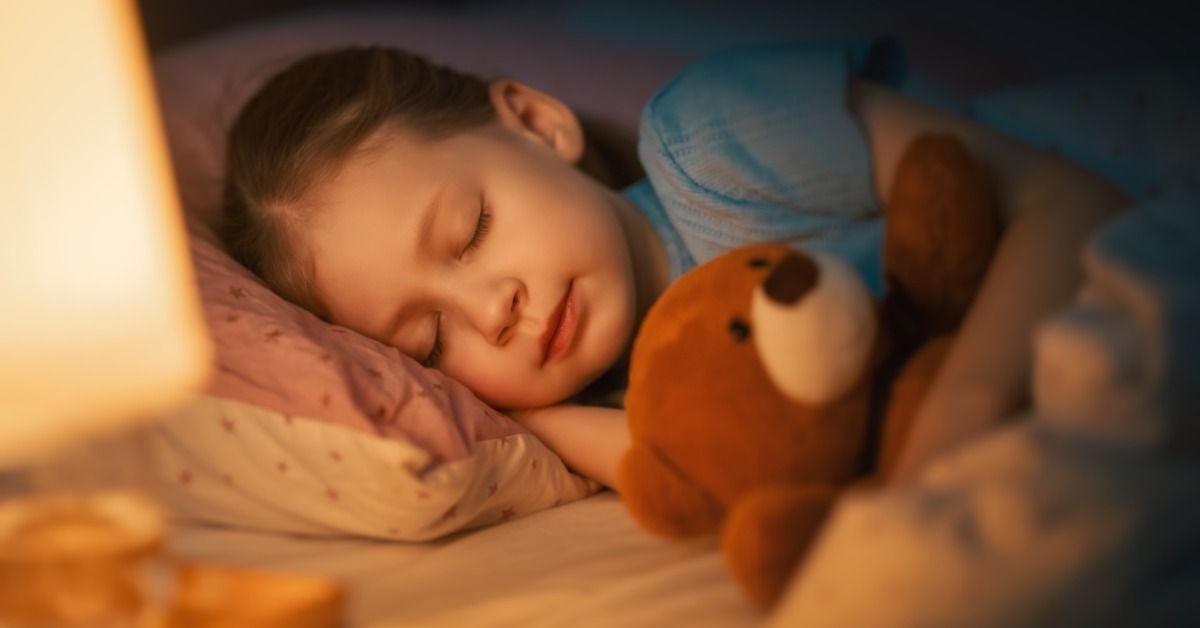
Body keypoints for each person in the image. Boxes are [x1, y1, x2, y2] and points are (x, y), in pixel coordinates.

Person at [221, 41, 1126, 491]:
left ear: (536, 124)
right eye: (429, 341)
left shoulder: (715, 141)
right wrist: (533, 416)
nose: (491, 312)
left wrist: (961, 412)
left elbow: (1071, 201)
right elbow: (691, 461)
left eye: (472, 230)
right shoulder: (626, 393)